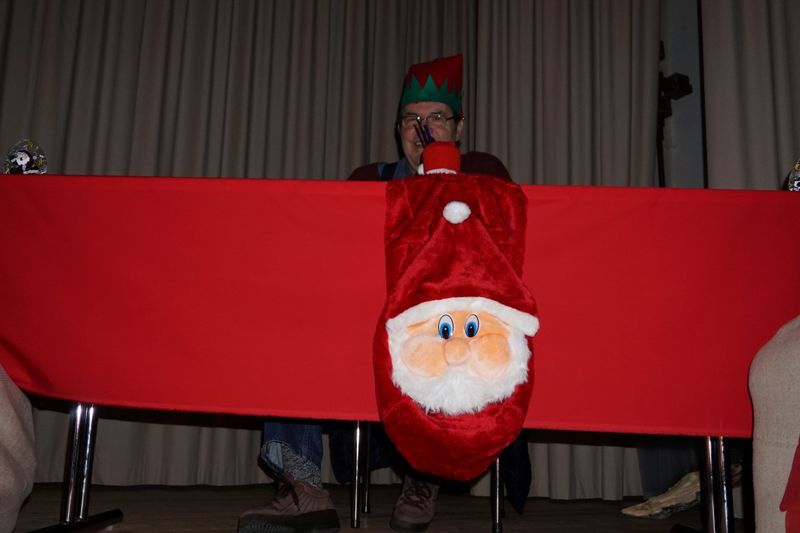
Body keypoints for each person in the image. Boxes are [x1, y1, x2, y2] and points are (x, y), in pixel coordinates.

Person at [238, 54, 519, 533]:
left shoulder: (485, 173)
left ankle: (423, 474)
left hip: (447, 332)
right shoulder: (368, 180)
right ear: (398, 130)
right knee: (293, 332)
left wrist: (446, 177)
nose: (423, 129)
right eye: (412, 119)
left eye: (436, 118)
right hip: (363, 326)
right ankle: (304, 487)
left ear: (459, 127)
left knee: (443, 340)